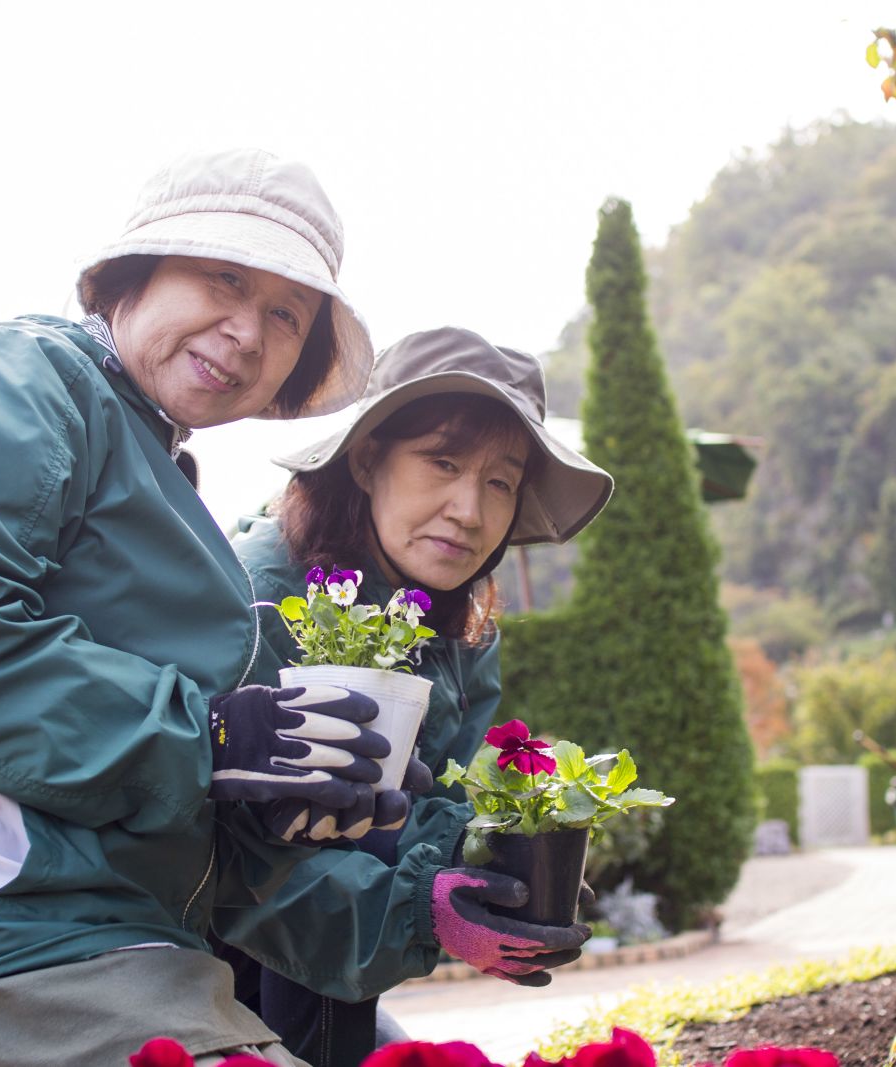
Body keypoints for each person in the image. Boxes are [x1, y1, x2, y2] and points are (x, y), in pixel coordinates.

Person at [0, 148, 425, 1067]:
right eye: (223, 279)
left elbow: (193, 840)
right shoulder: (9, 373)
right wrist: (214, 741)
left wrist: (425, 900)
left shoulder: (157, 467)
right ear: (132, 275)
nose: (246, 330)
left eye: (286, 314)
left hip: (99, 949)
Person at [214, 326, 615, 1067]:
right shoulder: (255, 600)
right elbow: (234, 868)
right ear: (367, 460)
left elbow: (441, 803)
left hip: (336, 967)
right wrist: (418, 910)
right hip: (202, 959)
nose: (469, 508)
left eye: (501, 480)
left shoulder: (461, 627)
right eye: (443, 462)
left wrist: (494, 870)